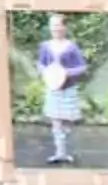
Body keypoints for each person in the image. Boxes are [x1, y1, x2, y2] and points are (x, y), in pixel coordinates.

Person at [37, 13, 91, 163]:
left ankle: (64, 145)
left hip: (68, 88)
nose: (55, 28)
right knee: (56, 121)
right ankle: (60, 153)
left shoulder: (71, 47)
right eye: (52, 25)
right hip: (53, 88)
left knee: (68, 121)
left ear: (64, 27)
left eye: (58, 25)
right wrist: (46, 72)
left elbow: (82, 67)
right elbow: (40, 63)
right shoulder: (45, 46)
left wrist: (66, 73)